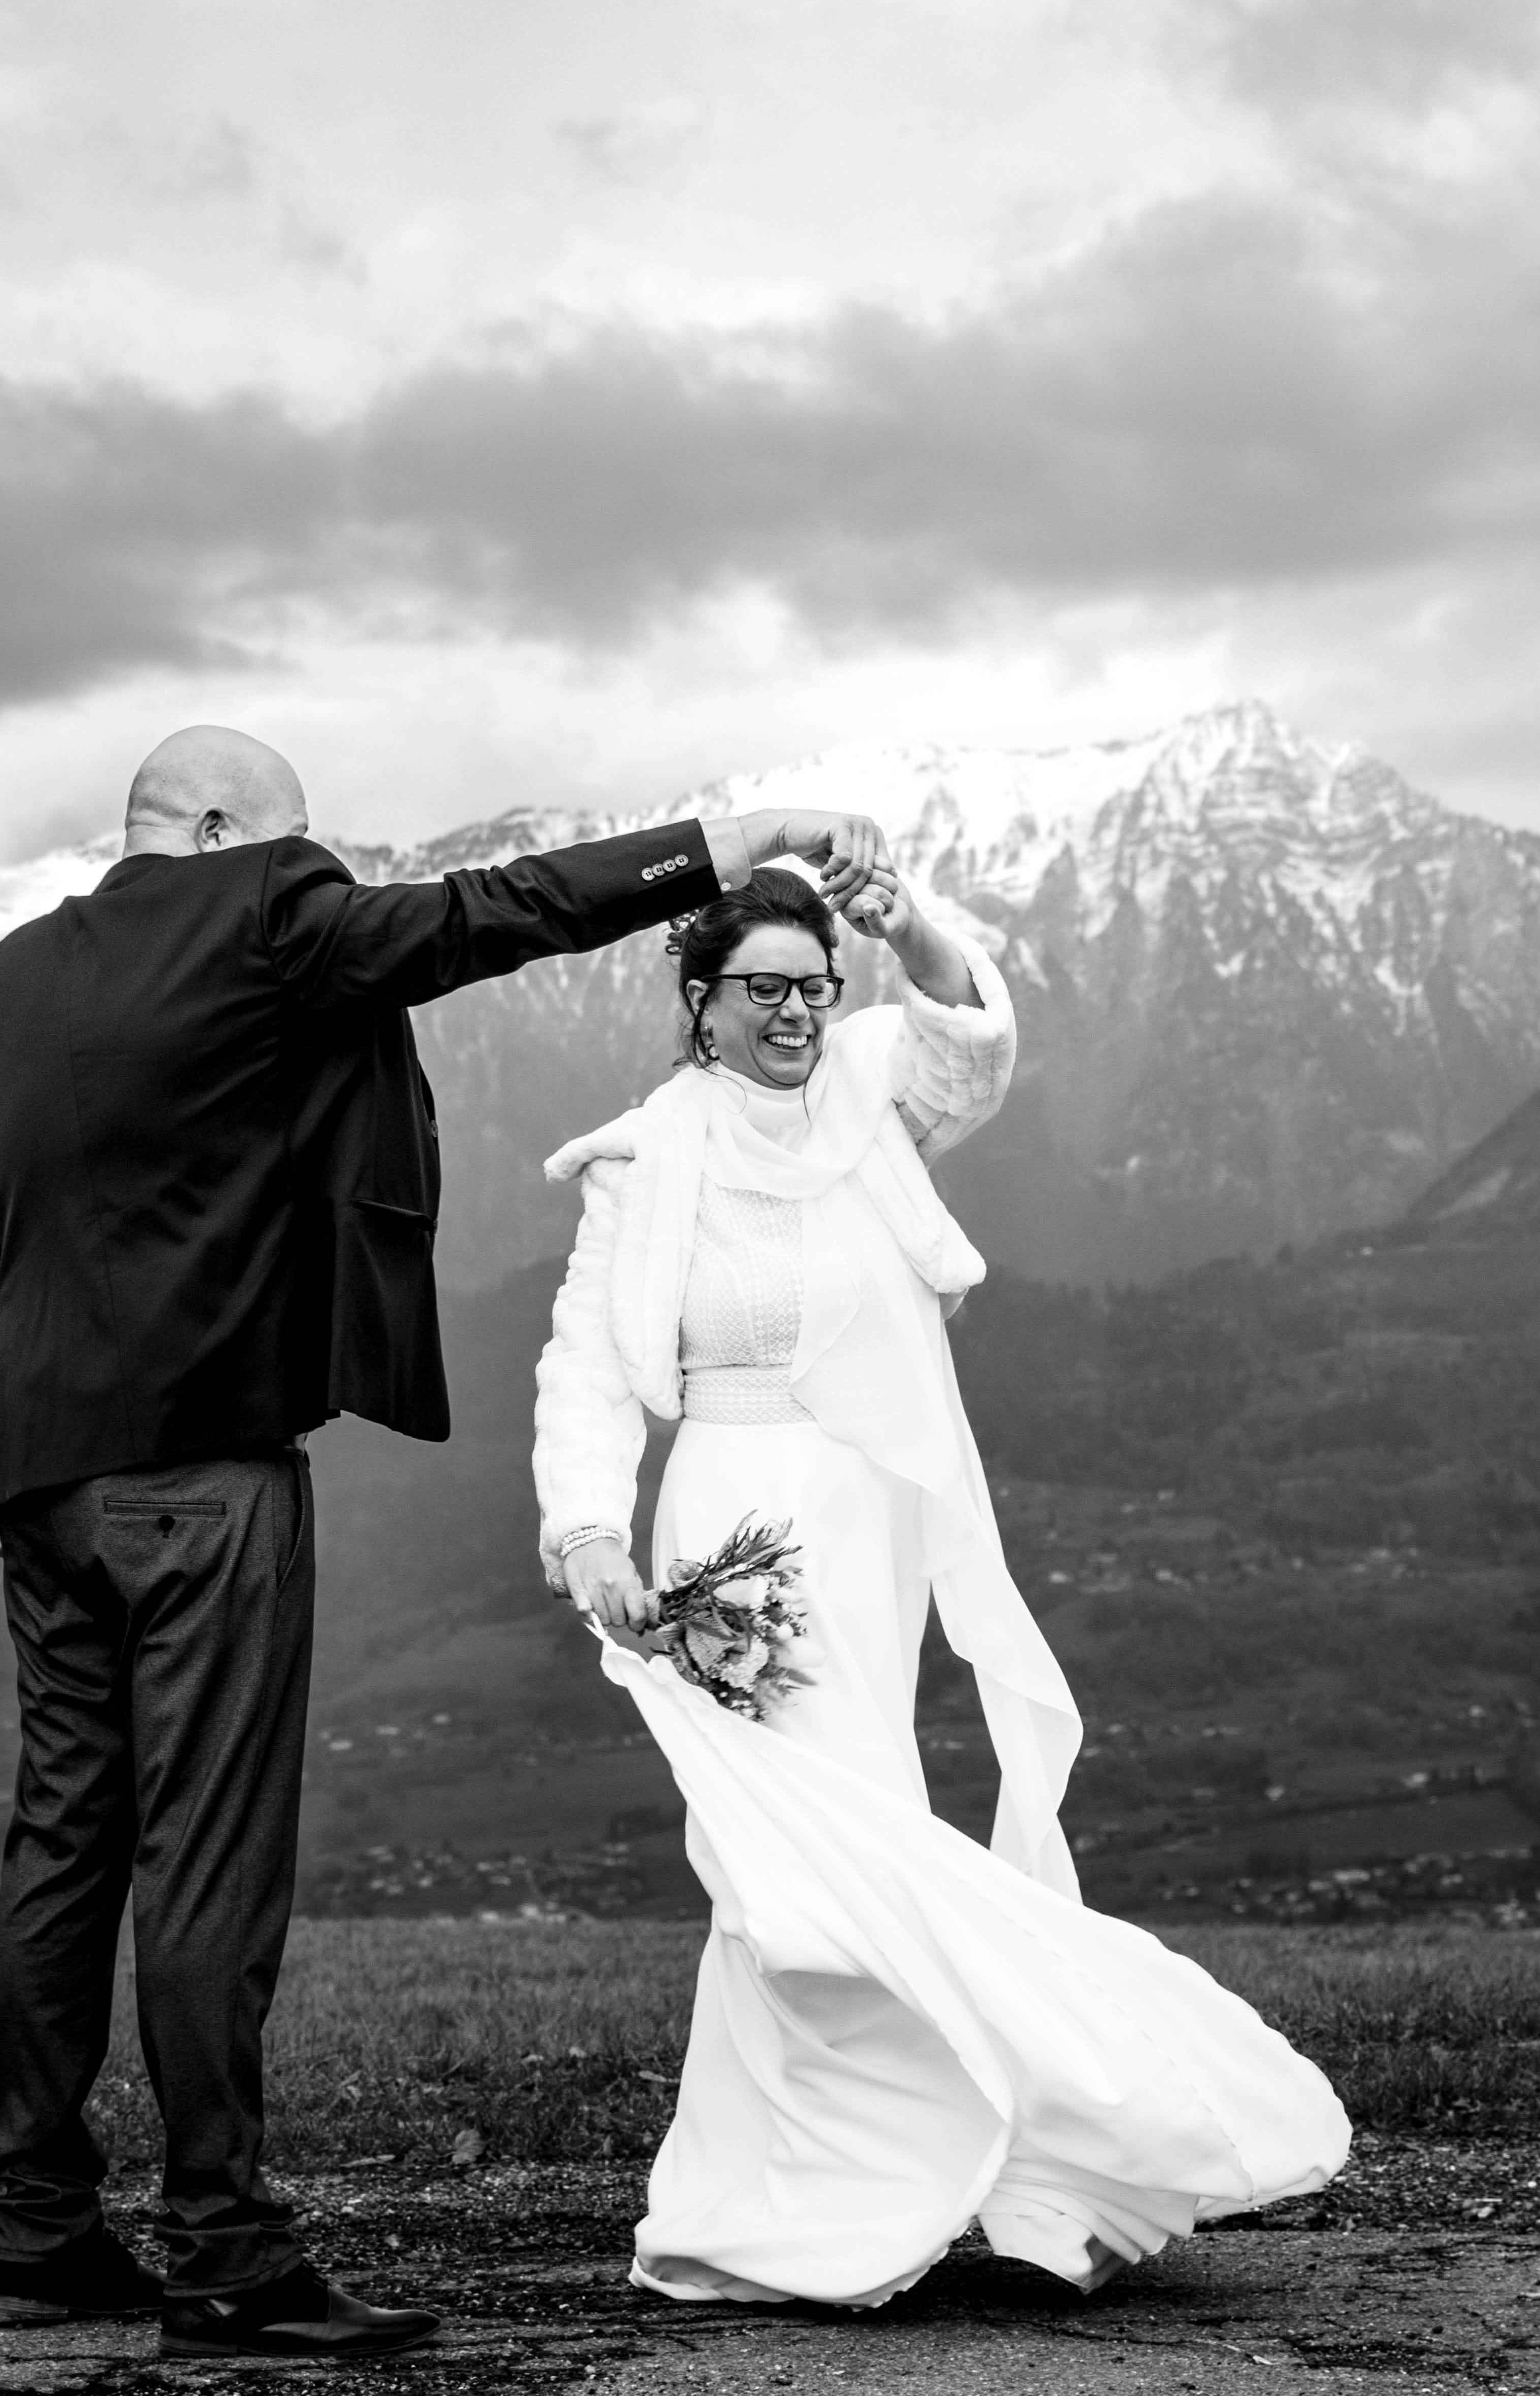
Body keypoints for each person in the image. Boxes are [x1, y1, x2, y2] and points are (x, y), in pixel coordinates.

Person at [0, 724, 892, 2362]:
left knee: (63, 1847)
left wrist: (17, 1452)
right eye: (296, 849)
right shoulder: (263, 920)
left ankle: (39, 2228)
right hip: (202, 1476)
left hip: (42, 1475)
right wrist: (743, 840)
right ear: (225, 827)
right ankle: (224, 2252)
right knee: (210, 1857)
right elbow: (493, 911)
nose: (321, 884)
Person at [530, 863, 1350, 2308]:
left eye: (813, 985)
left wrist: (903, 930)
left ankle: (941, 2180)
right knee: (768, 1872)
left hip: (860, 1518)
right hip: (720, 1514)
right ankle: (796, 2194)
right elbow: (589, 1366)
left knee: (859, 1828)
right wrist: (587, 1529)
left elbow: (972, 1046)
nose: (796, 1012)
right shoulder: (644, 1161)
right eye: (763, 990)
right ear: (698, 1005)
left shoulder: (871, 1099)